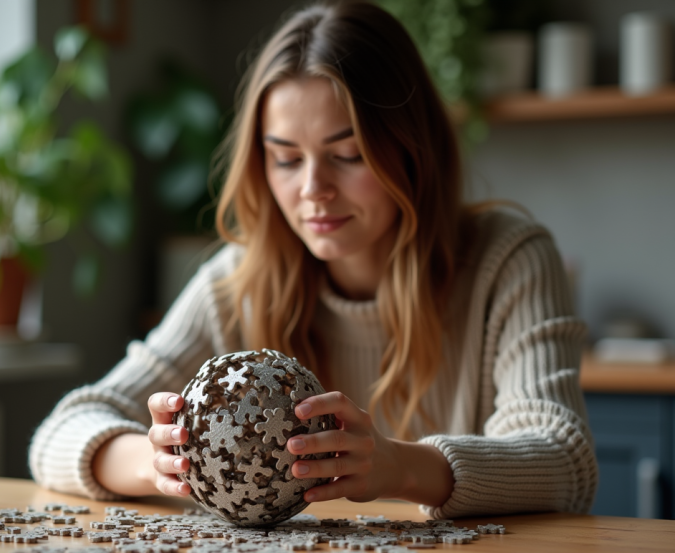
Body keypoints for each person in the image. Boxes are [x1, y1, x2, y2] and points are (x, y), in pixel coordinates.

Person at [29, 1, 598, 518]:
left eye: (347, 155)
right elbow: (62, 431)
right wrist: (159, 463)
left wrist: (397, 467)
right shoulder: (237, 283)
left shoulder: (510, 261)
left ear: (413, 148)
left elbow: (562, 460)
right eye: (284, 159)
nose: (313, 189)